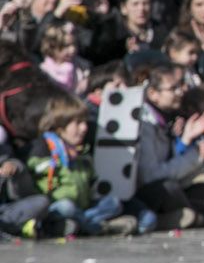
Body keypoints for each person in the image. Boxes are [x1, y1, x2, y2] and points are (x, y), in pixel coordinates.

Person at [28, 94, 136, 236]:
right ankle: (98, 227)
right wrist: (61, 160)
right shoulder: (45, 146)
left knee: (113, 203)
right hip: (56, 205)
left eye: (84, 122)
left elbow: (90, 182)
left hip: (82, 207)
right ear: (60, 126)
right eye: (77, 123)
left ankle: (81, 224)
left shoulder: (81, 150)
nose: (84, 128)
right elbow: (34, 170)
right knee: (67, 208)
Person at [137, 64, 204, 230]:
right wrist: (196, 156)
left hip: (177, 183)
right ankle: (183, 217)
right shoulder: (145, 125)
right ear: (153, 94)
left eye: (179, 87)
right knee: (169, 189)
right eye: (173, 89)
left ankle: (196, 215)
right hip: (151, 191)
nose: (180, 92)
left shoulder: (166, 120)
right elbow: (151, 176)